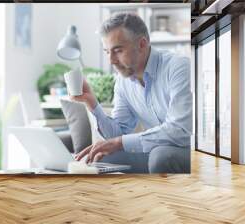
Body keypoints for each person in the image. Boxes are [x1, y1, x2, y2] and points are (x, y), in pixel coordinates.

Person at [72, 12, 192, 173]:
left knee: (161, 156)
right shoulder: (123, 81)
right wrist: (92, 104)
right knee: (100, 157)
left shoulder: (177, 66)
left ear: (142, 44)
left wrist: (119, 142)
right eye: (107, 52)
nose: (111, 61)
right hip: (155, 149)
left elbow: (180, 131)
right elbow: (118, 133)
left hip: (187, 148)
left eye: (118, 50)